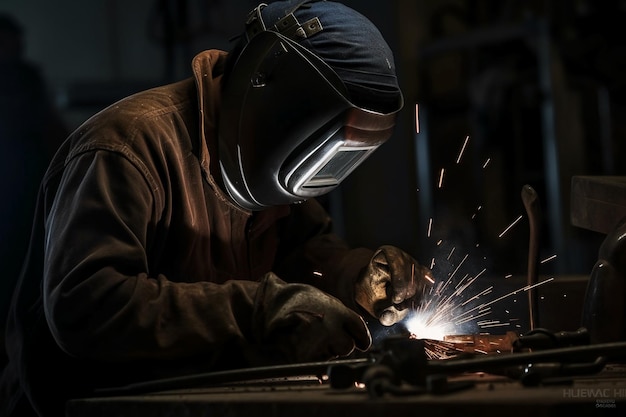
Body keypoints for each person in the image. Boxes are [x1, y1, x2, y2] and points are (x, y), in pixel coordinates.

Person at [0, 1, 433, 416]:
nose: (324, 168)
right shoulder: (126, 147)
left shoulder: (273, 162)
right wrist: (257, 309)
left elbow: (303, 250)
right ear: (266, 85)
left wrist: (354, 274)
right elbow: (86, 306)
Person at [0, 13, 68, 369]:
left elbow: (51, 126)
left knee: (23, 262)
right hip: (15, 180)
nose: (16, 46)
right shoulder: (22, 79)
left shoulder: (27, 78)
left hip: (27, 179)